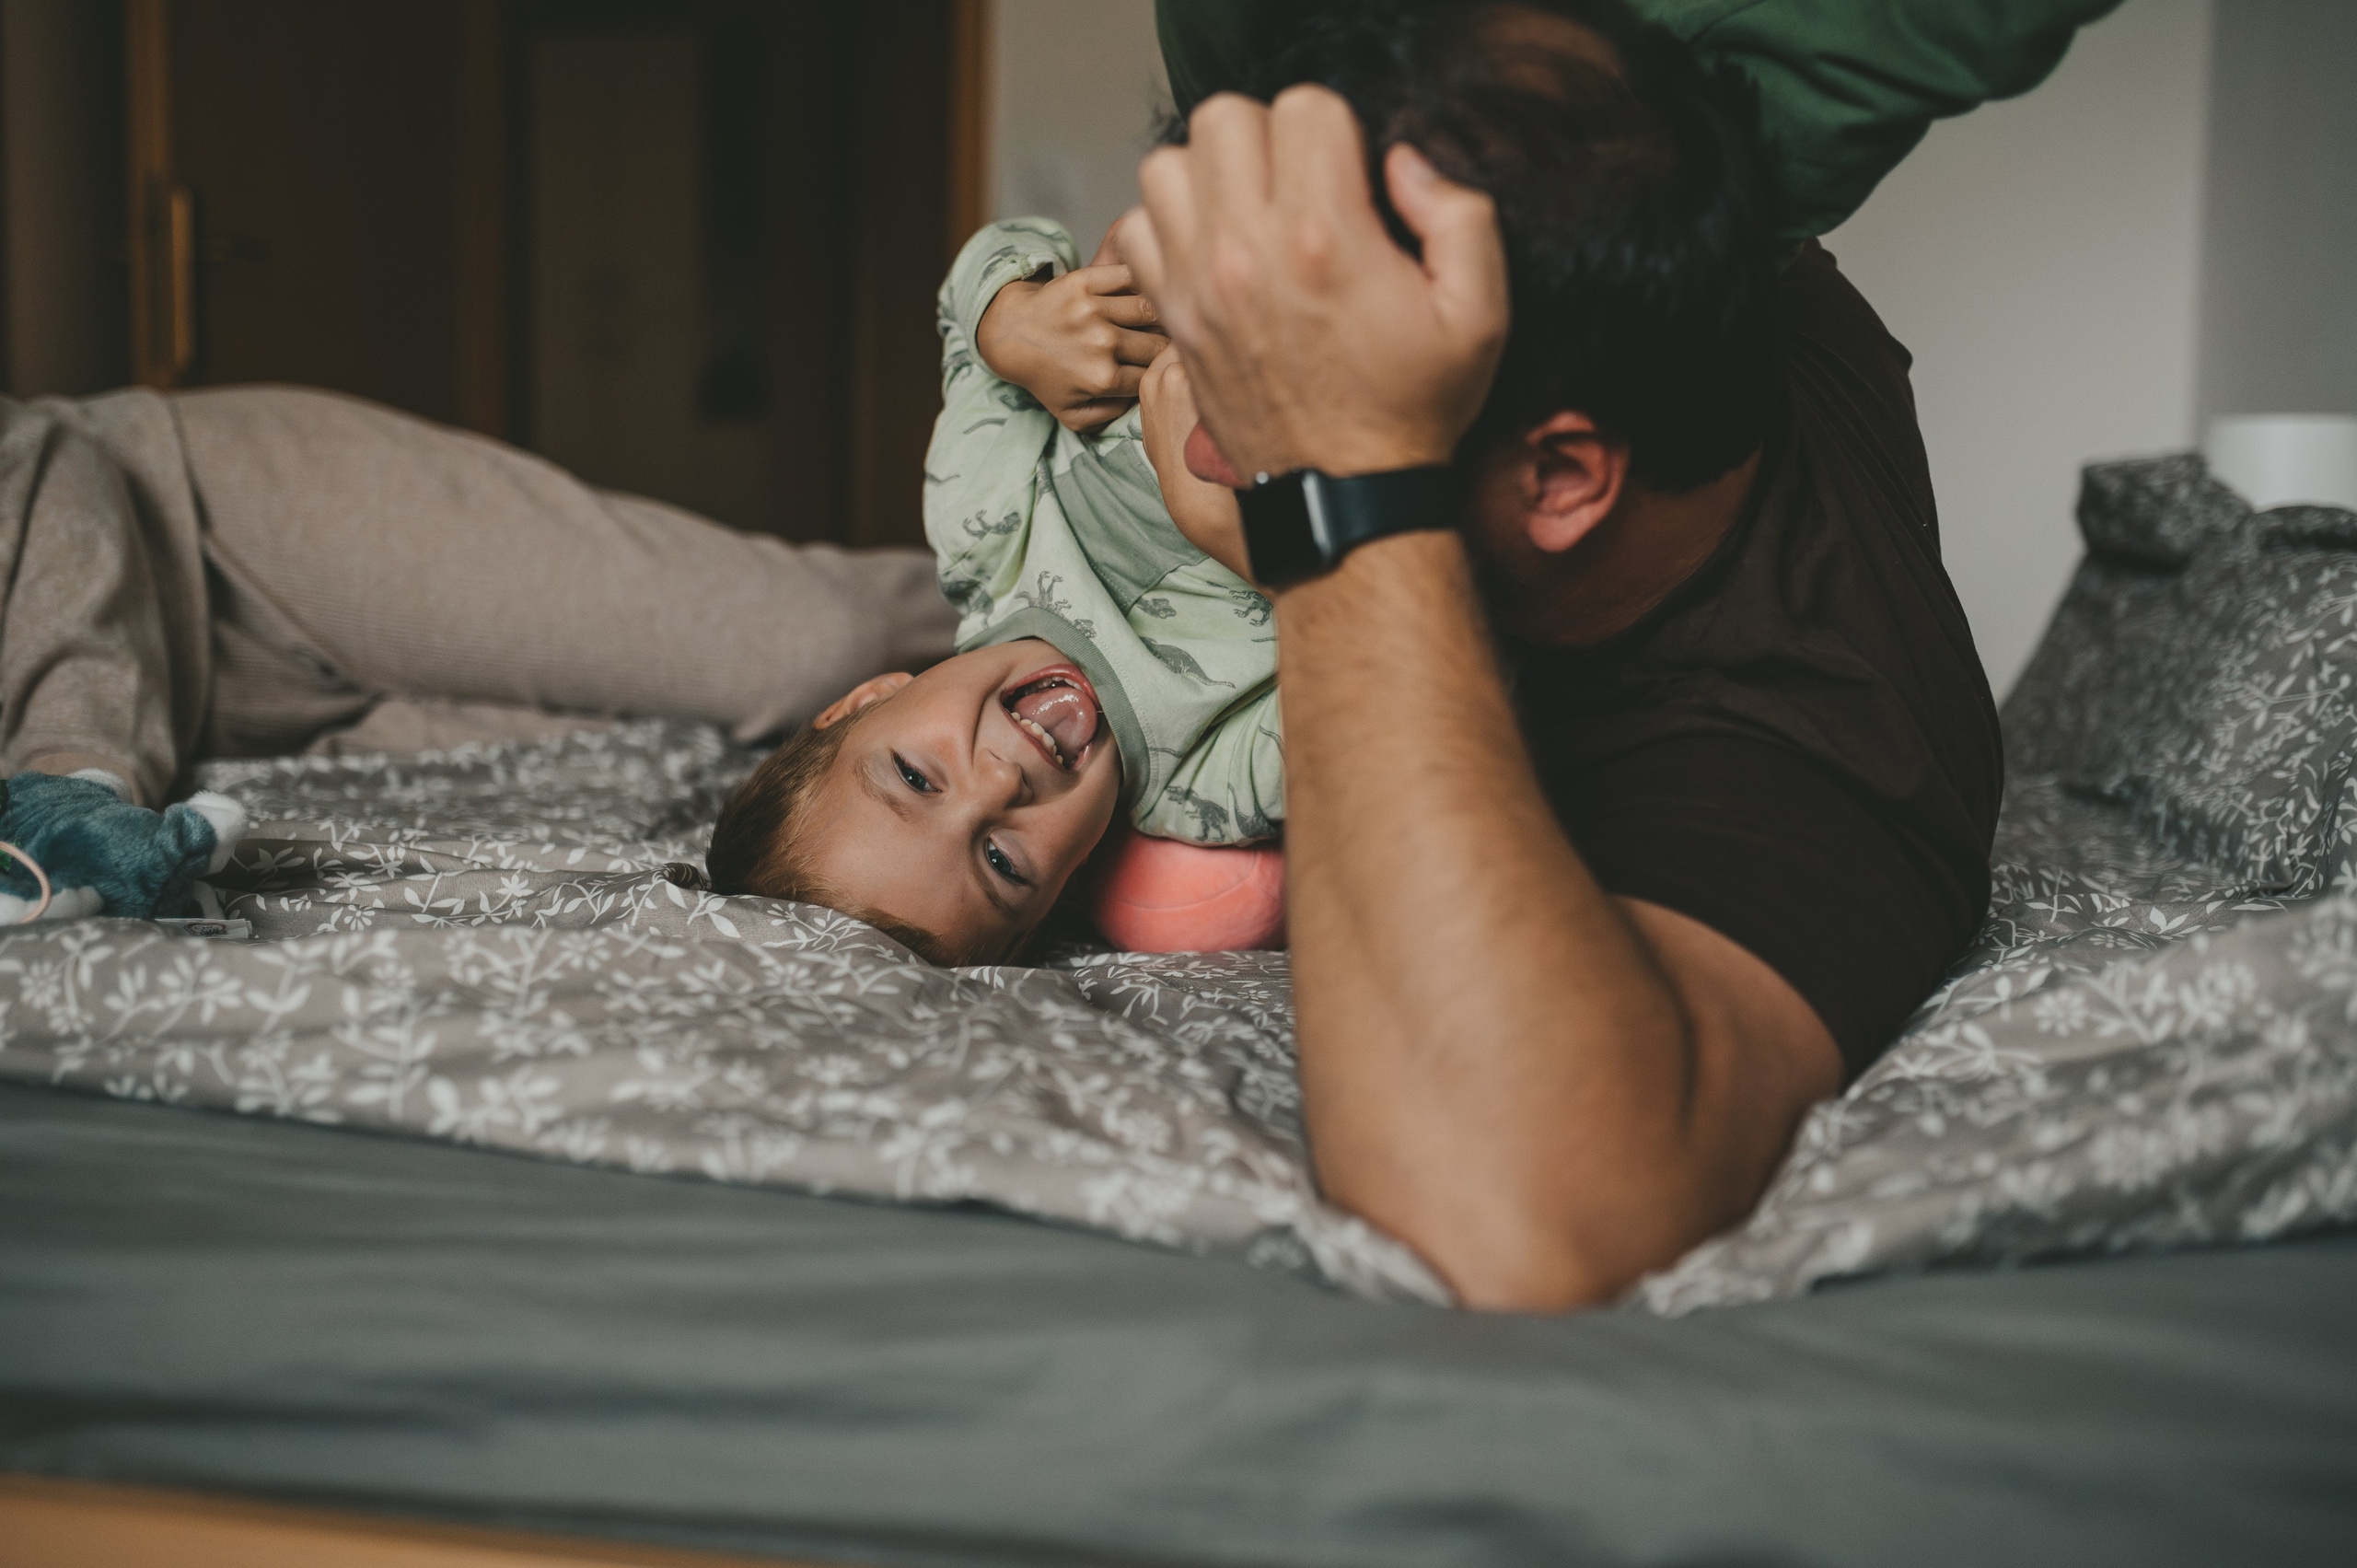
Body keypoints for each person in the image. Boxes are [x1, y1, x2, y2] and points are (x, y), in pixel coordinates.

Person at [1117, 0, 2042, 1309]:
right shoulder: (1623, 232)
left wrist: (1317, 515)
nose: (1201, 450)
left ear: (1558, 478)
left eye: (1284, 403)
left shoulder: (1821, 732)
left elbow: (1514, 1217)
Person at [702, 215, 1285, 965]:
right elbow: (1397, 668)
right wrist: (1249, 544)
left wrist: (1012, 325)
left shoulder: (983, 531)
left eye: (917, 777)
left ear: (870, 697)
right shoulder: (1212, 783)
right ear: (1062, 887)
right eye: (1003, 864)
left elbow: (982, 270)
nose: (1000, 783)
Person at [0, 385, 954, 814]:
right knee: (725, 769)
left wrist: (70, 767)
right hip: (218, 731)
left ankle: (1068, 607)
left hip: (220, 532)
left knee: (811, 644)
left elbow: (40, 453)